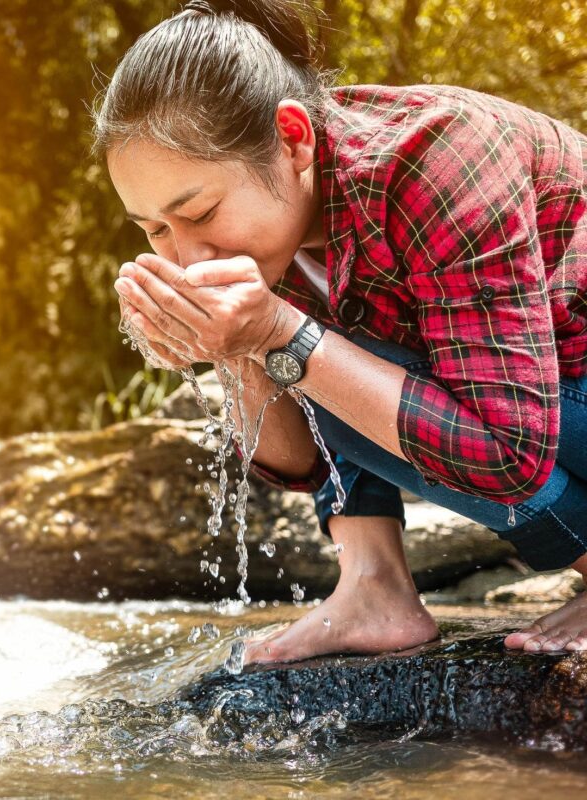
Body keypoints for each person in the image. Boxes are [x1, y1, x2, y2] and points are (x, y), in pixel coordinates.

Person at [93, 0, 587, 662]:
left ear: (293, 139)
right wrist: (232, 347)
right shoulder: (276, 220)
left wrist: (279, 332)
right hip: (545, 417)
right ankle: (373, 584)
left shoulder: (438, 159)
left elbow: (508, 455)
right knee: (325, 360)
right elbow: (298, 460)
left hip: (550, 399)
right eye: (155, 230)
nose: (186, 258)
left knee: (321, 354)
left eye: (201, 212)